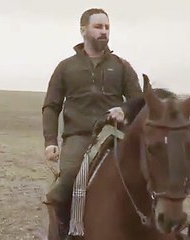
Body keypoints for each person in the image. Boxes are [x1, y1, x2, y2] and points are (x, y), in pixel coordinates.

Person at [41, 8, 142, 240]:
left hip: (114, 134)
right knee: (65, 184)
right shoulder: (66, 67)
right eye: (98, 27)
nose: (104, 31)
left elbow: (138, 99)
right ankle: (63, 232)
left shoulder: (121, 66)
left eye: (107, 27)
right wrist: (50, 142)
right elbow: (51, 106)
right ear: (83, 30)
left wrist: (124, 110)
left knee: (147, 174)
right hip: (79, 136)